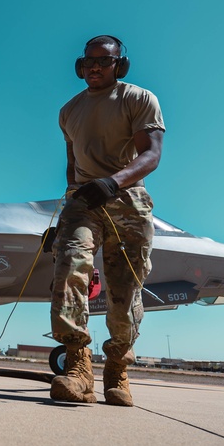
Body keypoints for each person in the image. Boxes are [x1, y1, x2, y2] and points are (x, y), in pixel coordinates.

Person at [49, 35, 164, 407]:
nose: (96, 66)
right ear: (80, 66)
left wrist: (112, 182)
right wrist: (65, 216)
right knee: (69, 268)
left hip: (127, 201)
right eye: (89, 61)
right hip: (83, 202)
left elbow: (151, 155)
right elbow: (72, 166)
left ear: (120, 65)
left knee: (124, 290)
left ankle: (117, 369)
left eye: (105, 60)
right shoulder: (69, 111)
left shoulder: (138, 99)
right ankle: (79, 368)